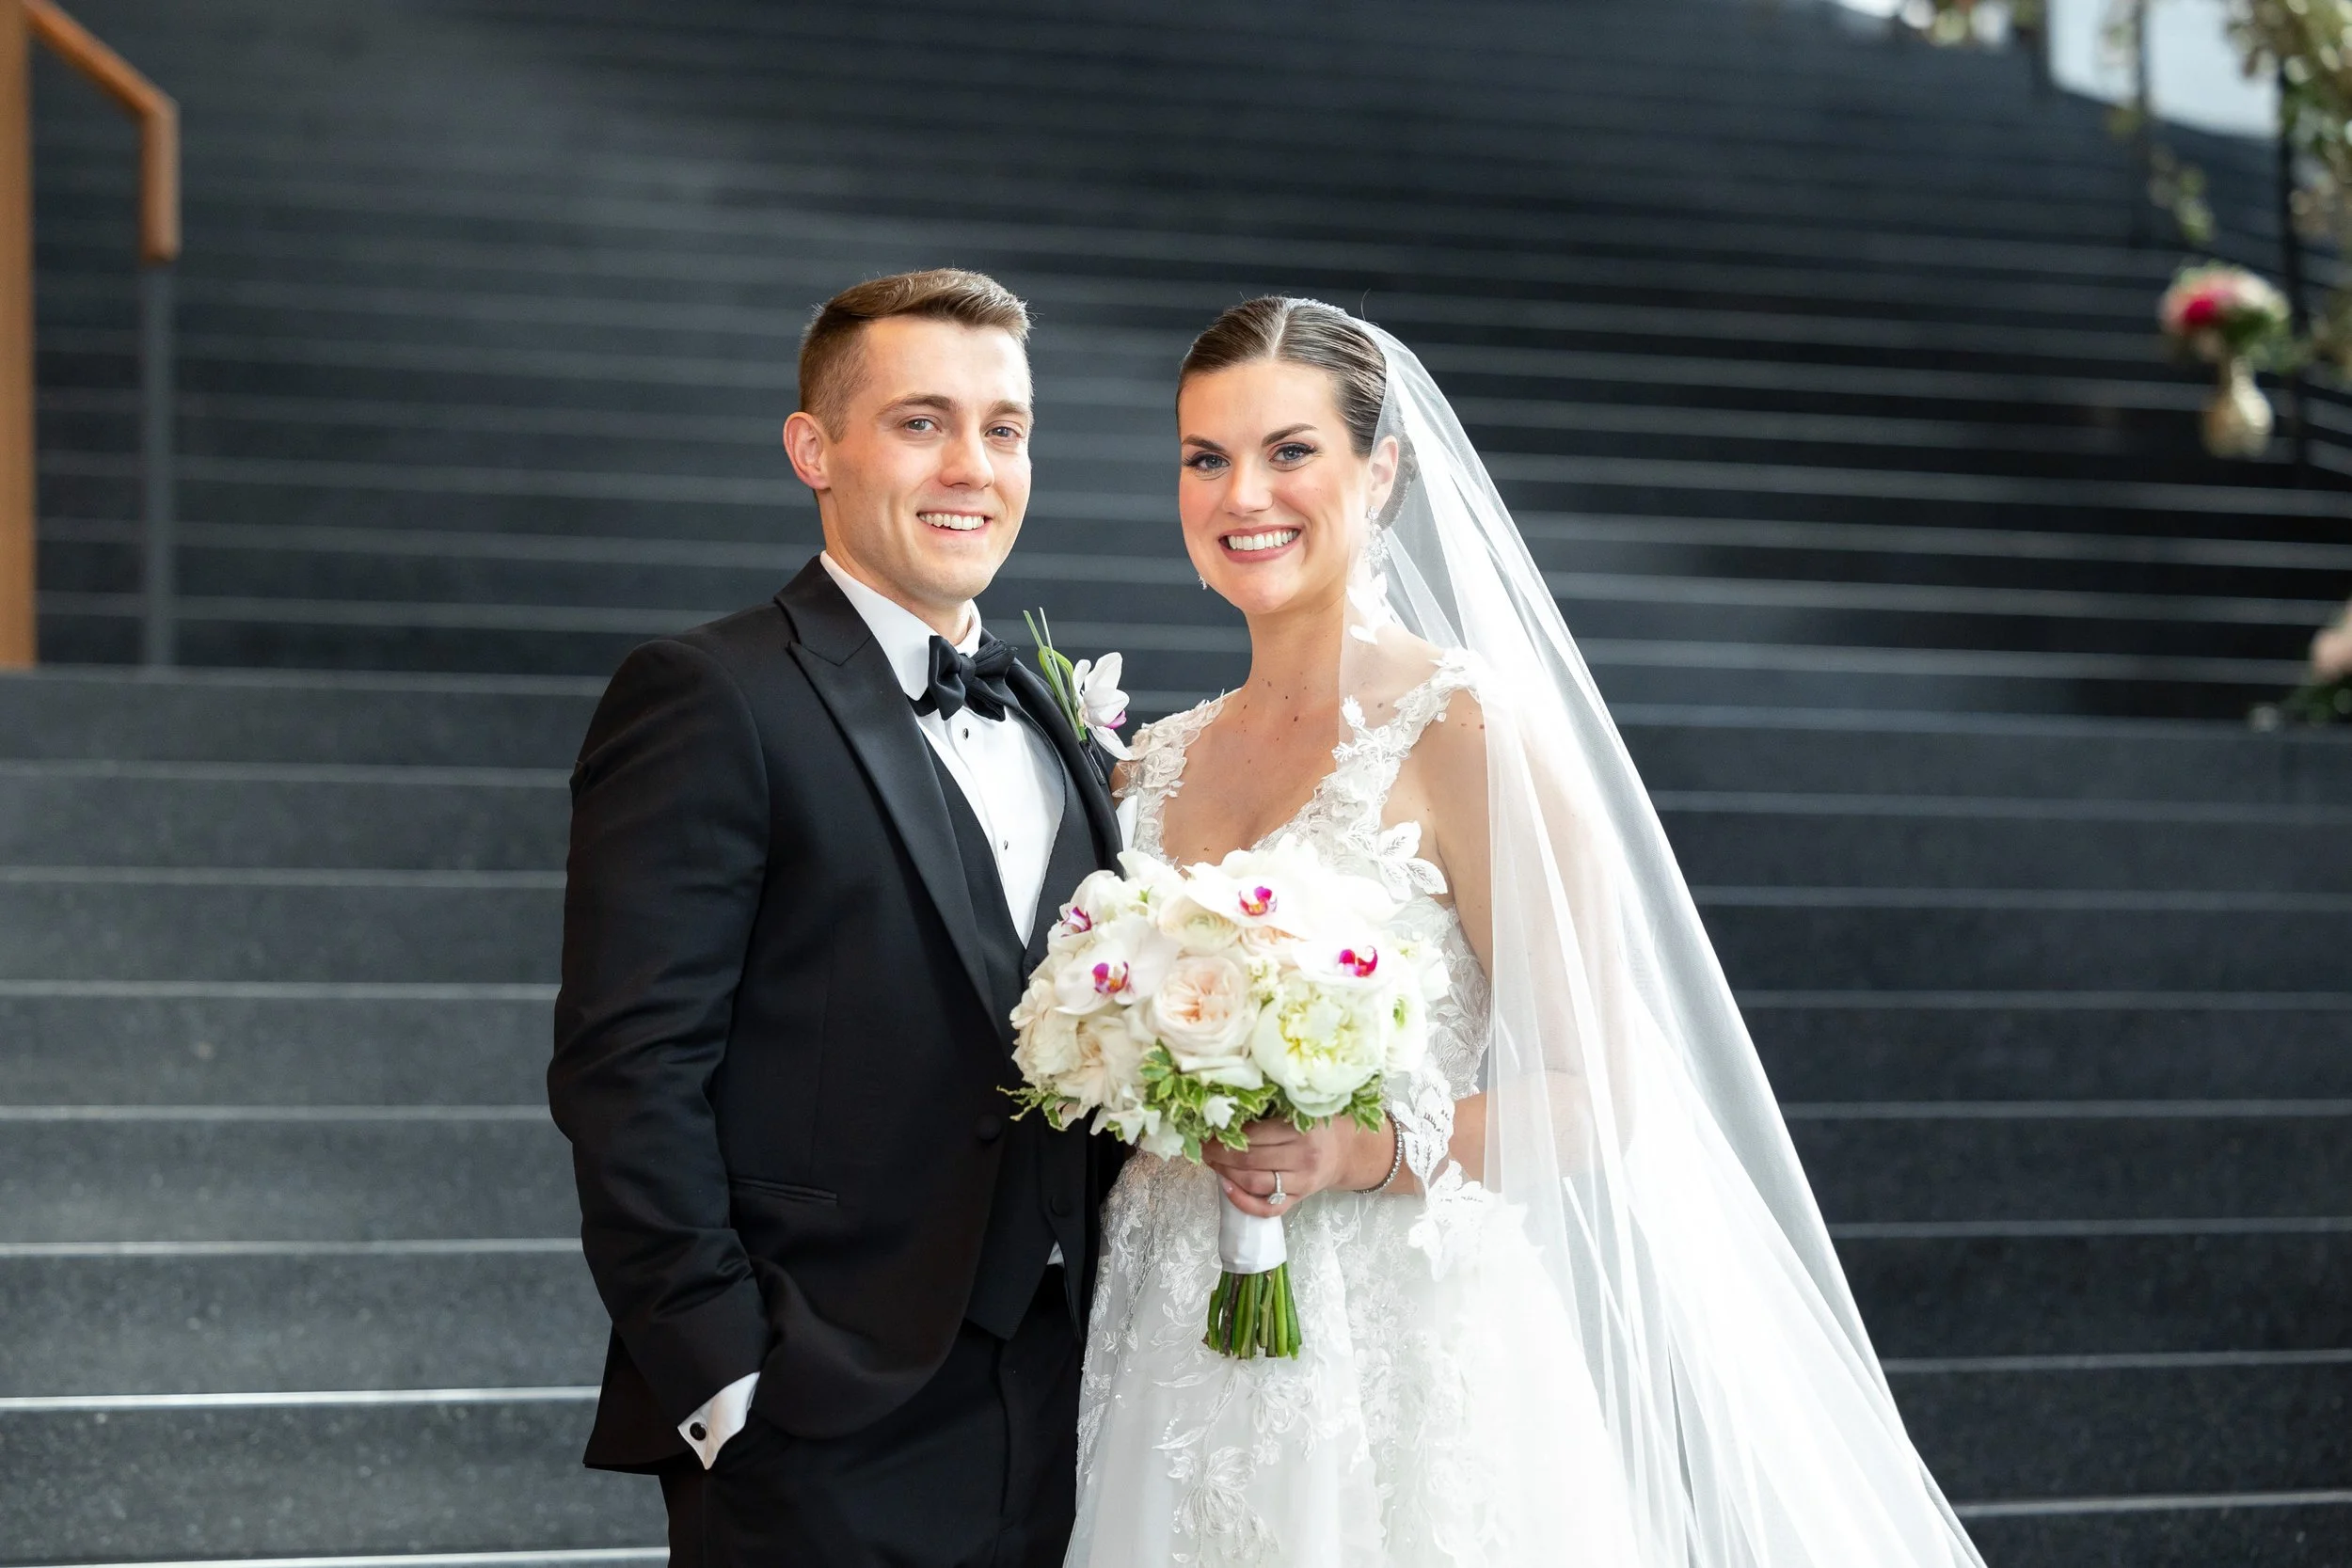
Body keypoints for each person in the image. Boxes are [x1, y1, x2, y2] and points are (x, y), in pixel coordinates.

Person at [1070, 298, 1987, 1567]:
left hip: (1400, 1331)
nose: (1243, 494)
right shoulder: (1146, 767)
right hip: (1168, 1317)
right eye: (1205, 456)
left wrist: (1357, 1148)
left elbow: (1591, 1095)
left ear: (1379, 470)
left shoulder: (1464, 733)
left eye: (1291, 450)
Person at [548, 268, 1123, 1568]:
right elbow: (627, 1066)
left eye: (1006, 427)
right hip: (813, 1415)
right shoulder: (705, 693)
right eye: (923, 421)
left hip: (1072, 1399)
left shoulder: (1054, 710)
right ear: (816, 447)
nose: (972, 465)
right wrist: (719, 1373)